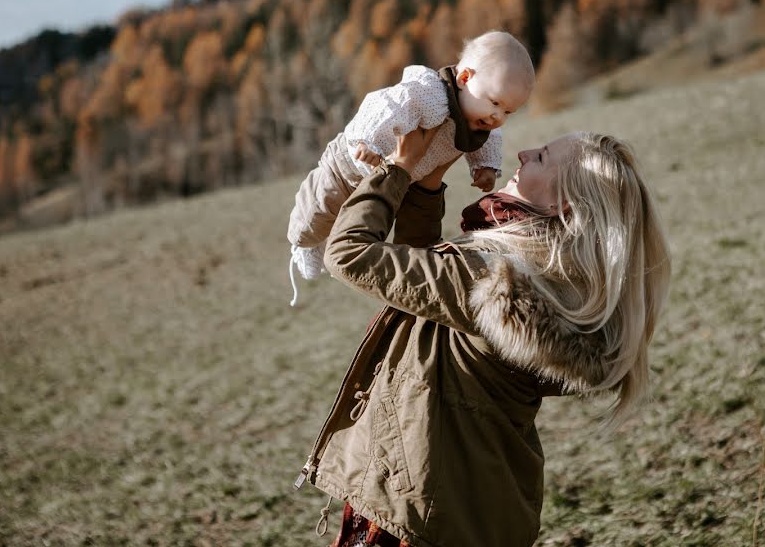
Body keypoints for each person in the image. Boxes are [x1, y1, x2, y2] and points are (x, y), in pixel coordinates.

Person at [293, 128, 672, 547]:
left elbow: (349, 253)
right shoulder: (549, 285)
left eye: (543, 158)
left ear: (563, 203)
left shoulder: (490, 280)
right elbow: (420, 281)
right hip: (471, 511)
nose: (525, 153)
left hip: (412, 512)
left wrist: (395, 171)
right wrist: (430, 180)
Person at [287, 31, 536, 299]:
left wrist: (485, 167)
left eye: (508, 112)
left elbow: (488, 140)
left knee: (360, 225)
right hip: (352, 164)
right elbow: (386, 104)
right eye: (495, 102)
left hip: (399, 182)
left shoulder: (478, 121)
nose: (497, 116)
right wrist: (369, 141)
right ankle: (305, 246)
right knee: (315, 215)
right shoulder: (431, 96)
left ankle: (323, 242)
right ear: (465, 78)